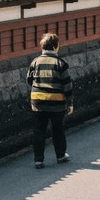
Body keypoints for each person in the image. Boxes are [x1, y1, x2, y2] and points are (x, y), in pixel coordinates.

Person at [26, 33, 74, 168]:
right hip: (57, 103)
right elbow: (67, 85)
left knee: (38, 131)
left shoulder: (35, 62)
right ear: (55, 46)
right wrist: (70, 103)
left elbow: (29, 80)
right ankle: (60, 155)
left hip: (38, 102)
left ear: (42, 46)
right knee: (58, 129)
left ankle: (38, 160)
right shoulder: (61, 63)